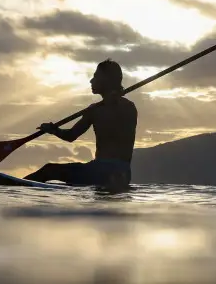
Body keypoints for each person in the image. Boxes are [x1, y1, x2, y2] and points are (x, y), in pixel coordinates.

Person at [25, 59, 136, 190]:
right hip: (109, 171)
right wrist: (53, 130)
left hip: (111, 170)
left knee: (49, 170)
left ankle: (14, 188)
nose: (91, 81)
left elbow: (121, 128)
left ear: (106, 80)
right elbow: (71, 136)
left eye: (96, 76)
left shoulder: (127, 107)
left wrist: (115, 101)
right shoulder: (95, 109)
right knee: (51, 170)